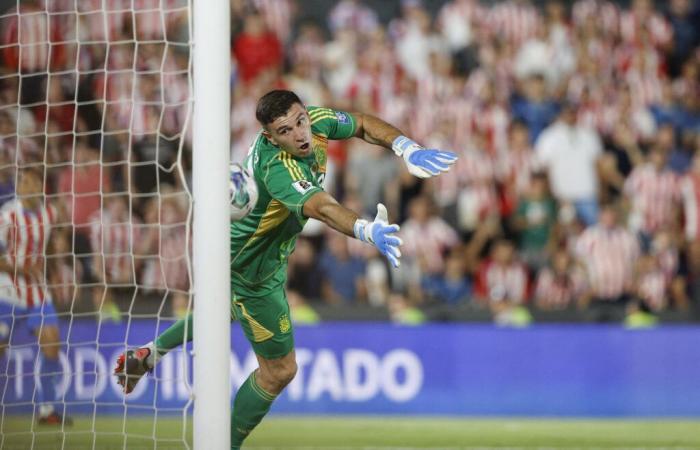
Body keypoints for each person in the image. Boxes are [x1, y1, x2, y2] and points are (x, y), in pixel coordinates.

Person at [114, 90, 457, 449]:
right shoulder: (278, 166)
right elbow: (321, 207)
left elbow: (362, 125)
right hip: (250, 269)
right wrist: (365, 229)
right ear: (269, 136)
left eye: (300, 121)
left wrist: (406, 147)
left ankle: (149, 354)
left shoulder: (316, 122)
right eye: (285, 130)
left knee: (223, 311)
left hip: (242, 254)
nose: (299, 134)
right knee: (280, 371)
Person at [0, 168, 70, 425]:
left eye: (29, 181)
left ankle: (47, 410)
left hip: (38, 291)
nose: (23, 185)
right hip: (7, 290)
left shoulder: (49, 213)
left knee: (52, 344)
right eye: (21, 181)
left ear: (39, 185)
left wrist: (54, 260)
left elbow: (50, 243)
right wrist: (20, 269)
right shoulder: (7, 215)